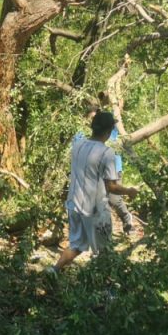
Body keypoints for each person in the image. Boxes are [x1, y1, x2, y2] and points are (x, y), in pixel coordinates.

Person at [53, 111, 139, 270]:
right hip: (94, 210)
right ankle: (106, 290)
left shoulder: (77, 145)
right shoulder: (107, 153)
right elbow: (111, 186)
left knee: (76, 245)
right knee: (104, 251)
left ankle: (53, 271)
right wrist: (129, 191)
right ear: (108, 131)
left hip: (73, 205)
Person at [74, 107, 135, 235]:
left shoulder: (108, 146)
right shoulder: (80, 137)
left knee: (114, 199)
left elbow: (111, 186)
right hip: (93, 177)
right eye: (91, 117)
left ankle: (126, 217)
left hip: (112, 170)